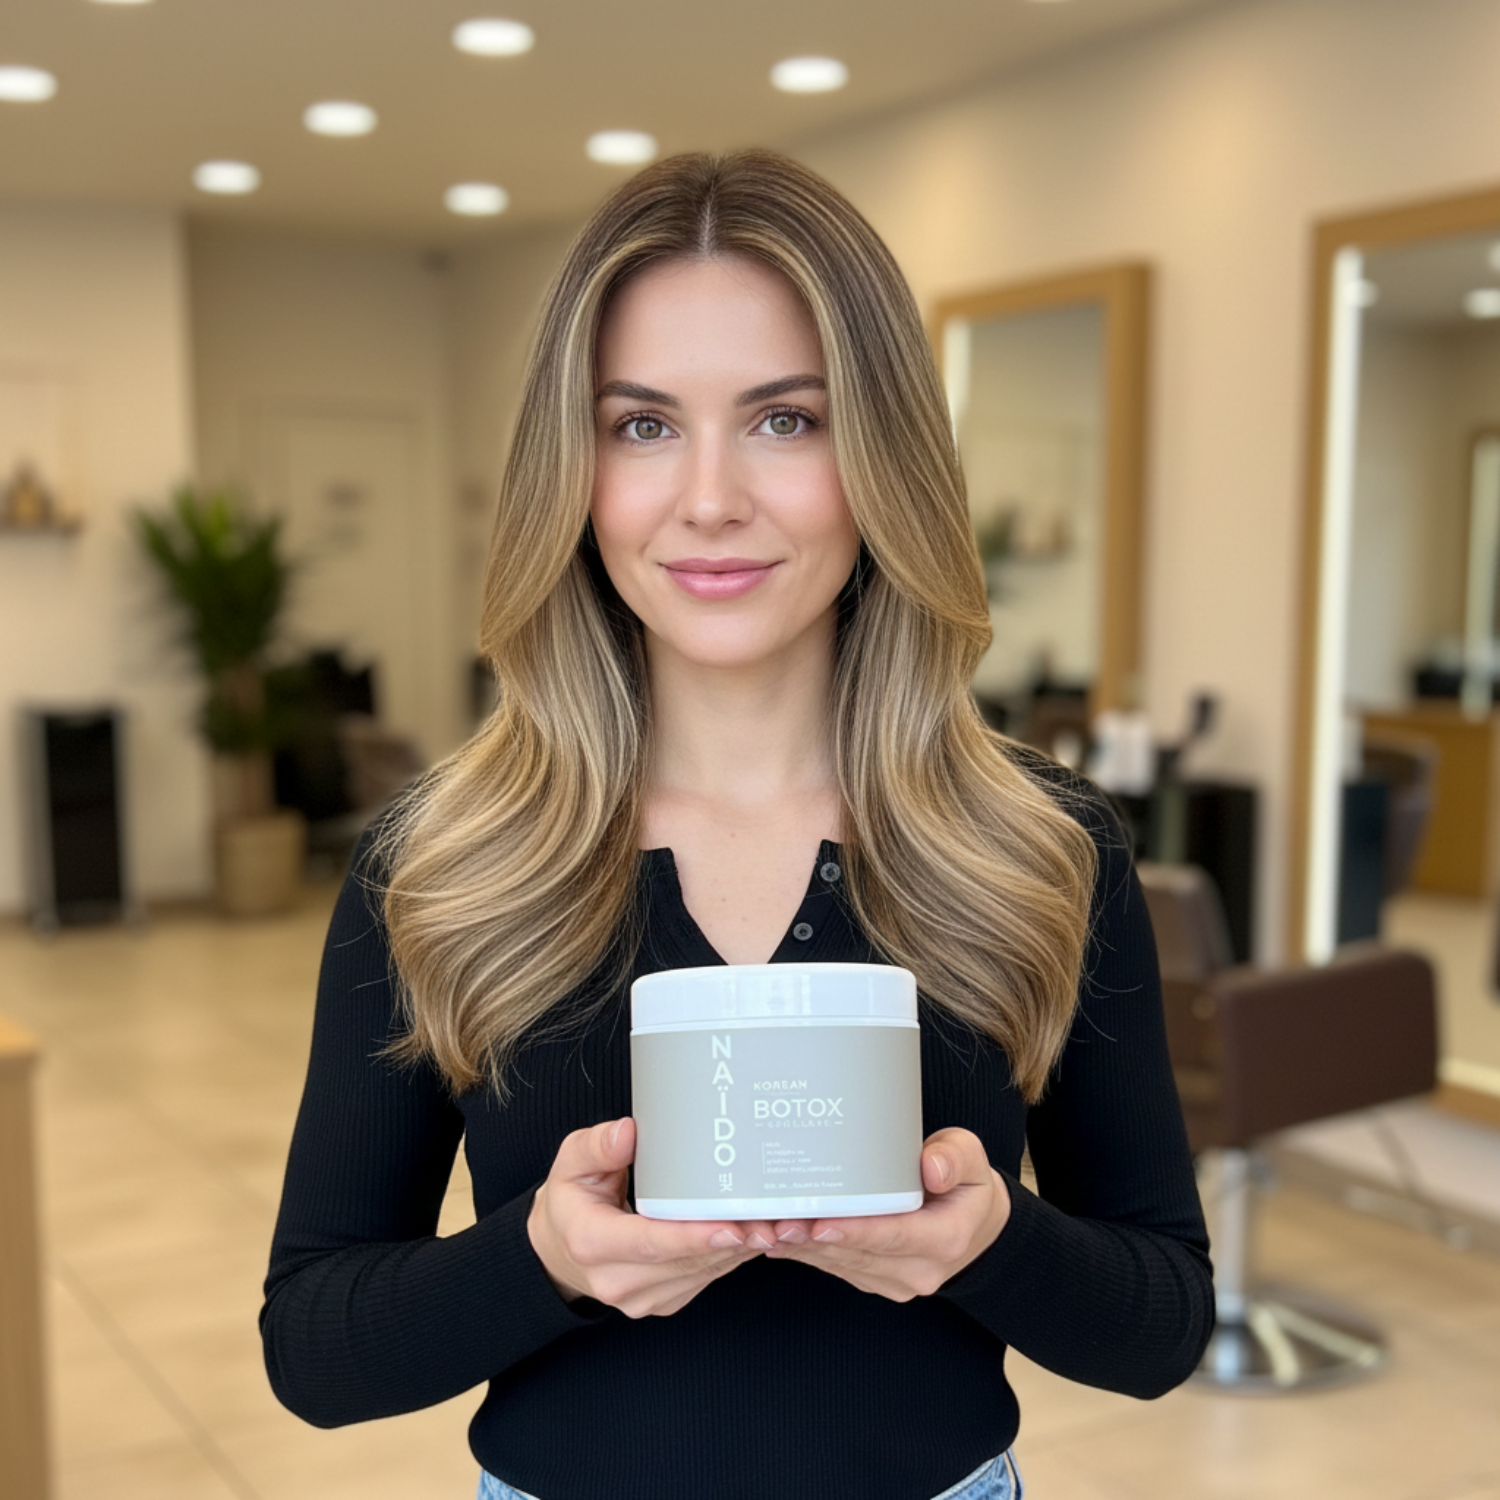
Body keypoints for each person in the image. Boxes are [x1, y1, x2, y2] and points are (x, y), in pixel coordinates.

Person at [261, 149, 1213, 1500]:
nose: (709, 499)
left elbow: (1163, 1325)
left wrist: (988, 1243)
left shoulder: (1039, 849)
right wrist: (546, 1260)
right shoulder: (441, 865)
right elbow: (314, 1348)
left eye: (785, 419)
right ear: (573, 469)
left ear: (882, 456)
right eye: (643, 426)